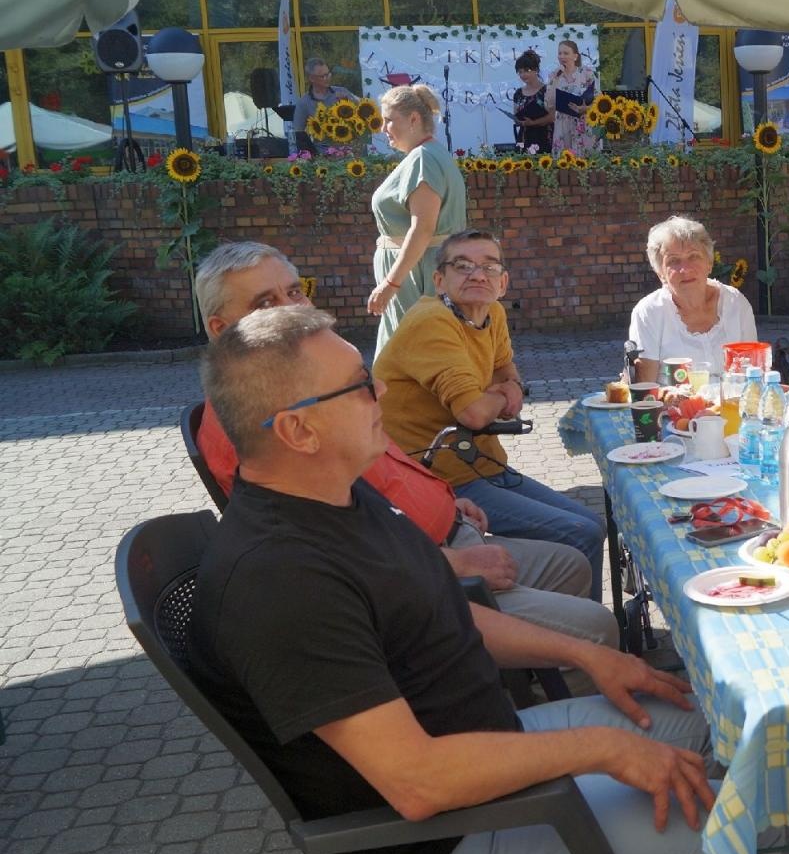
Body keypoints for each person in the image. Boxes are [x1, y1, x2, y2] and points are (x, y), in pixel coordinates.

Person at [192, 305, 776, 854]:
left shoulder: (335, 498)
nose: (381, 391)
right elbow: (417, 783)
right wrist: (599, 748)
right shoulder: (280, 579)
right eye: (359, 385)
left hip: (487, 749)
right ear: (298, 429)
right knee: (745, 838)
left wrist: (587, 654)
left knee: (722, 733)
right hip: (438, 845)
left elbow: (442, 609)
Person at [191, 242, 618, 647]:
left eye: (294, 292)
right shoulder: (267, 423)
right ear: (221, 328)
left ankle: (545, 679)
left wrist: (445, 503)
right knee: (593, 619)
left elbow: (383, 478)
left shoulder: (300, 386)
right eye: (265, 304)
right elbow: (330, 553)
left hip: (445, 531)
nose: (379, 390)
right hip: (418, 580)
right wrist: (449, 563)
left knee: (573, 561)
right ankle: (536, 691)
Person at [375, 229, 607, 602]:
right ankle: (582, 642)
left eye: (488, 266)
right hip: (442, 477)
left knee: (592, 523)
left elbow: (505, 371)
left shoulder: (491, 313)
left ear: (502, 282)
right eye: (463, 266)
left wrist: (507, 388)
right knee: (579, 532)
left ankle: (567, 618)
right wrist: (503, 395)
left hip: (480, 463)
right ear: (439, 280)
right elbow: (474, 413)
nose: (477, 275)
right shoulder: (432, 323)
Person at [366, 83, 469, 354]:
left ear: (413, 119)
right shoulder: (430, 154)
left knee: (409, 355)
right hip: (422, 271)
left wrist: (391, 283)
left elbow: (422, 228)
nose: (383, 128)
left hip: (418, 276)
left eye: (389, 120)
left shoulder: (423, 159)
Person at [628, 216, 757, 384]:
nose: (685, 269)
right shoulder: (649, 312)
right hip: (673, 409)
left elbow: (755, 374)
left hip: (734, 408)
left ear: (709, 263)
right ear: (660, 273)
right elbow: (645, 392)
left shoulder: (736, 304)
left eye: (693, 256)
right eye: (673, 261)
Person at [547, 39, 601, 157]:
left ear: (575, 56)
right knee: (565, 163)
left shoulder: (587, 73)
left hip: (584, 122)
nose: (562, 56)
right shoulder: (554, 75)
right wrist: (555, 79)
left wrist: (586, 108)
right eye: (560, 53)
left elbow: (599, 101)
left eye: (566, 53)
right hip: (563, 124)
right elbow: (549, 104)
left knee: (586, 163)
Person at [291, 56, 356, 145]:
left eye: (328, 74)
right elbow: (298, 132)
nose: (327, 78)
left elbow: (361, 114)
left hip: (348, 150)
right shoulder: (303, 102)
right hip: (322, 154)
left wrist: (348, 104)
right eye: (322, 76)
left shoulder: (342, 92)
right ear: (311, 78)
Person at [511, 49, 552, 152]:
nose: (523, 75)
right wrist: (518, 120)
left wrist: (533, 122)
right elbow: (516, 115)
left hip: (544, 137)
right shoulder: (518, 93)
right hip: (524, 137)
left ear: (536, 70)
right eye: (520, 72)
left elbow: (552, 117)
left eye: (527, 70)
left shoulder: (547, 91)